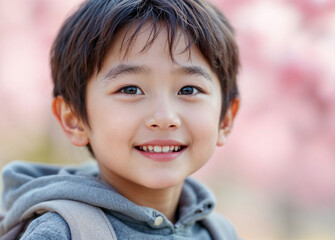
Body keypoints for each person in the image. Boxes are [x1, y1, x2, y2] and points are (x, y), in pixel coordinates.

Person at [0, 0, 240, 239]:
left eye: (188, 90)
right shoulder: (62, 232)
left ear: (225, 119)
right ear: (74, 119)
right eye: (130, 90)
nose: (165, 118)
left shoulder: (219, 232)